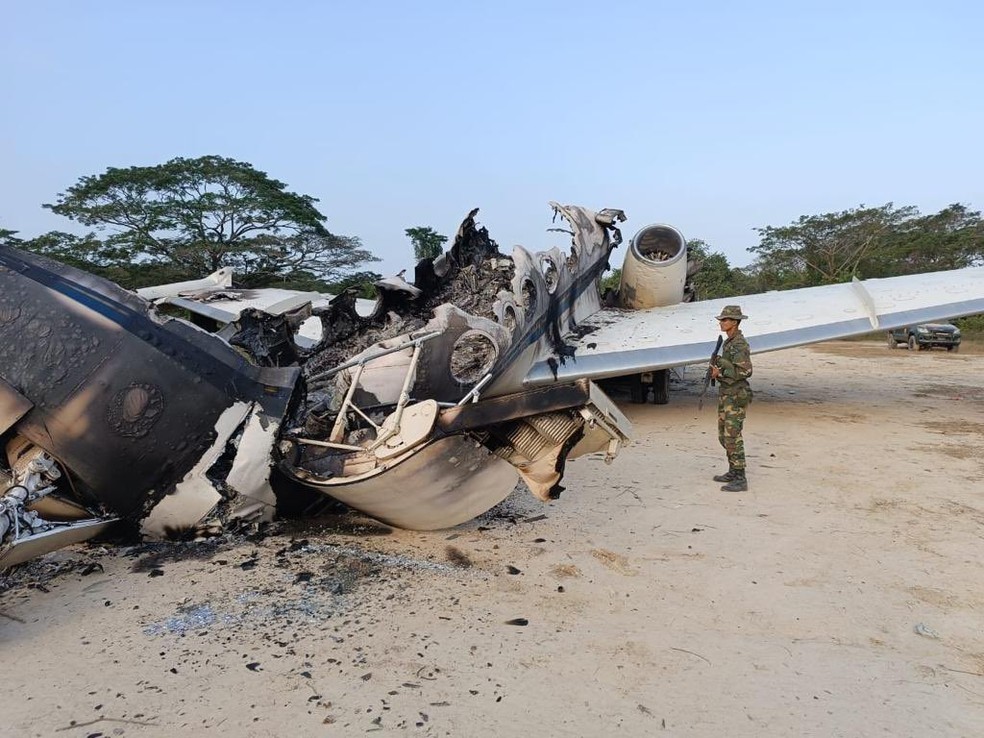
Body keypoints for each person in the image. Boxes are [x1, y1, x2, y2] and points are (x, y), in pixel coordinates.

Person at [709, 305, 753, 491]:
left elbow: (746, 371)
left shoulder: (739, 344)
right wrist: (717, 374)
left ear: (734, 322)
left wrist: (721, 369)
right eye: (721, 320)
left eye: (725, 320)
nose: (722, 322)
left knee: (732, 436)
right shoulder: (729, 342)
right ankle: (733, 470)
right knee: (723, 436)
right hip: (727, 394)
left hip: (735, 395)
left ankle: (740, 478)